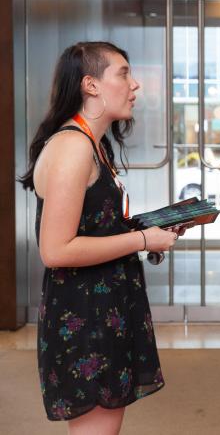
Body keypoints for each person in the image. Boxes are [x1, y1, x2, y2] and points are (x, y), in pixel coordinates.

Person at [19, 42, 180, 434]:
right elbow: (56, 250)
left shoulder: (93, 144)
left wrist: (150, 228)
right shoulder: (73, 147)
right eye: (123, 74)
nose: (135, 85)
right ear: (90, 85)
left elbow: (96, 225)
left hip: (102, 308)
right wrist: (143, 241)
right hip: (85, 315)